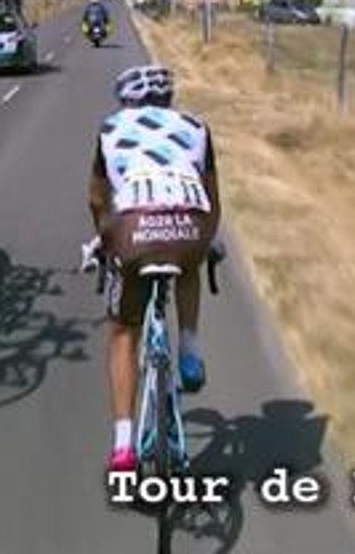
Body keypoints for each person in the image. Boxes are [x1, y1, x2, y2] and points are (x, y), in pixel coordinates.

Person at [86, 64, 221, 473]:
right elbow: (212, 196)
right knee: (190, 265)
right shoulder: (196, 126)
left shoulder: (110, 129)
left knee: (124, 333)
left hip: (133, 229)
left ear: (125, 100)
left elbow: (97, 198)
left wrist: (104, 243)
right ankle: (190, 355)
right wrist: (206, 242)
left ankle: (124, 447)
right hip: (190, 223)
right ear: (169, 98)